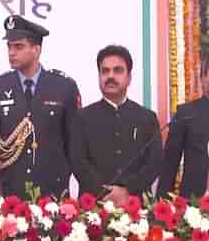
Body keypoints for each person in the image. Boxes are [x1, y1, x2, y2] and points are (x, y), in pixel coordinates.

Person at [0, 15, 80, 199]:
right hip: (8, 192)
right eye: (9, 46)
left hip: (52, 193)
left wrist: (61, 174)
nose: (11, 52)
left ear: (36, 49)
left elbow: (75, 143)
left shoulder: (64, 87)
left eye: (19, 46)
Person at [70, 45, 162, 206]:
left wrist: (128, 190)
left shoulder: (147, 118)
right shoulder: (82, 117)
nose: (110, 76)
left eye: (118, 70)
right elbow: (78, 162)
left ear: (129, 78)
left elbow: (154, 163)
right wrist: (104, 192)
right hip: (92, 208)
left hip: (136, 207)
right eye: (105, 71)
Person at [158, 55, 209, 199]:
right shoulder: (187, 113)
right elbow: (170, 164)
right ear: (203, 78)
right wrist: (161, 205)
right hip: (193, 207)